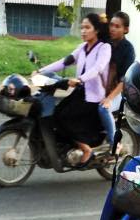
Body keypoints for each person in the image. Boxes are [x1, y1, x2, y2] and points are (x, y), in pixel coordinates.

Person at [37, 13, 111, 166]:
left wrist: (80, 79)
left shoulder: (104, 48)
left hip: (94, 97)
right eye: (82, 28)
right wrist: (41, 71)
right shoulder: (82, 48)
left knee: (64, 117)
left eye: (87, 27)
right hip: (80, 93)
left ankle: (86, 149)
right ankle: (69, 147)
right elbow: (64, 62)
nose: (83, 31)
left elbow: (98, 68)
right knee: (56, 114)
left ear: (96, 30)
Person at [99, 11, 135, 148]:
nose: (113, 28)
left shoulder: (128, 49)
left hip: (118, 92)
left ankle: (115, 144)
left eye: (117, 26)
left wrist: (109, 98)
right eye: (111, 25)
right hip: (103, 88)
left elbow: (124, 80)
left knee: (102, 109)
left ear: (126, 29)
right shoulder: (106, 43)